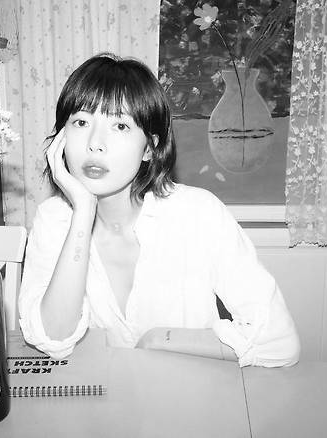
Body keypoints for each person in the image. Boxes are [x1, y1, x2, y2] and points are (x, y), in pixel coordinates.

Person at [18, 53, 300, 367]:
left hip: (188, 393)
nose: (95, 143)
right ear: (62, 137)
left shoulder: (198, 214)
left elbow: (279, 341)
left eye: (120, 125)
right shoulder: (54, 219)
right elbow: (52, 338)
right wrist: (83, 211)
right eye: (81, 122)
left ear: (149, 149)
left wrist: (157, 340)